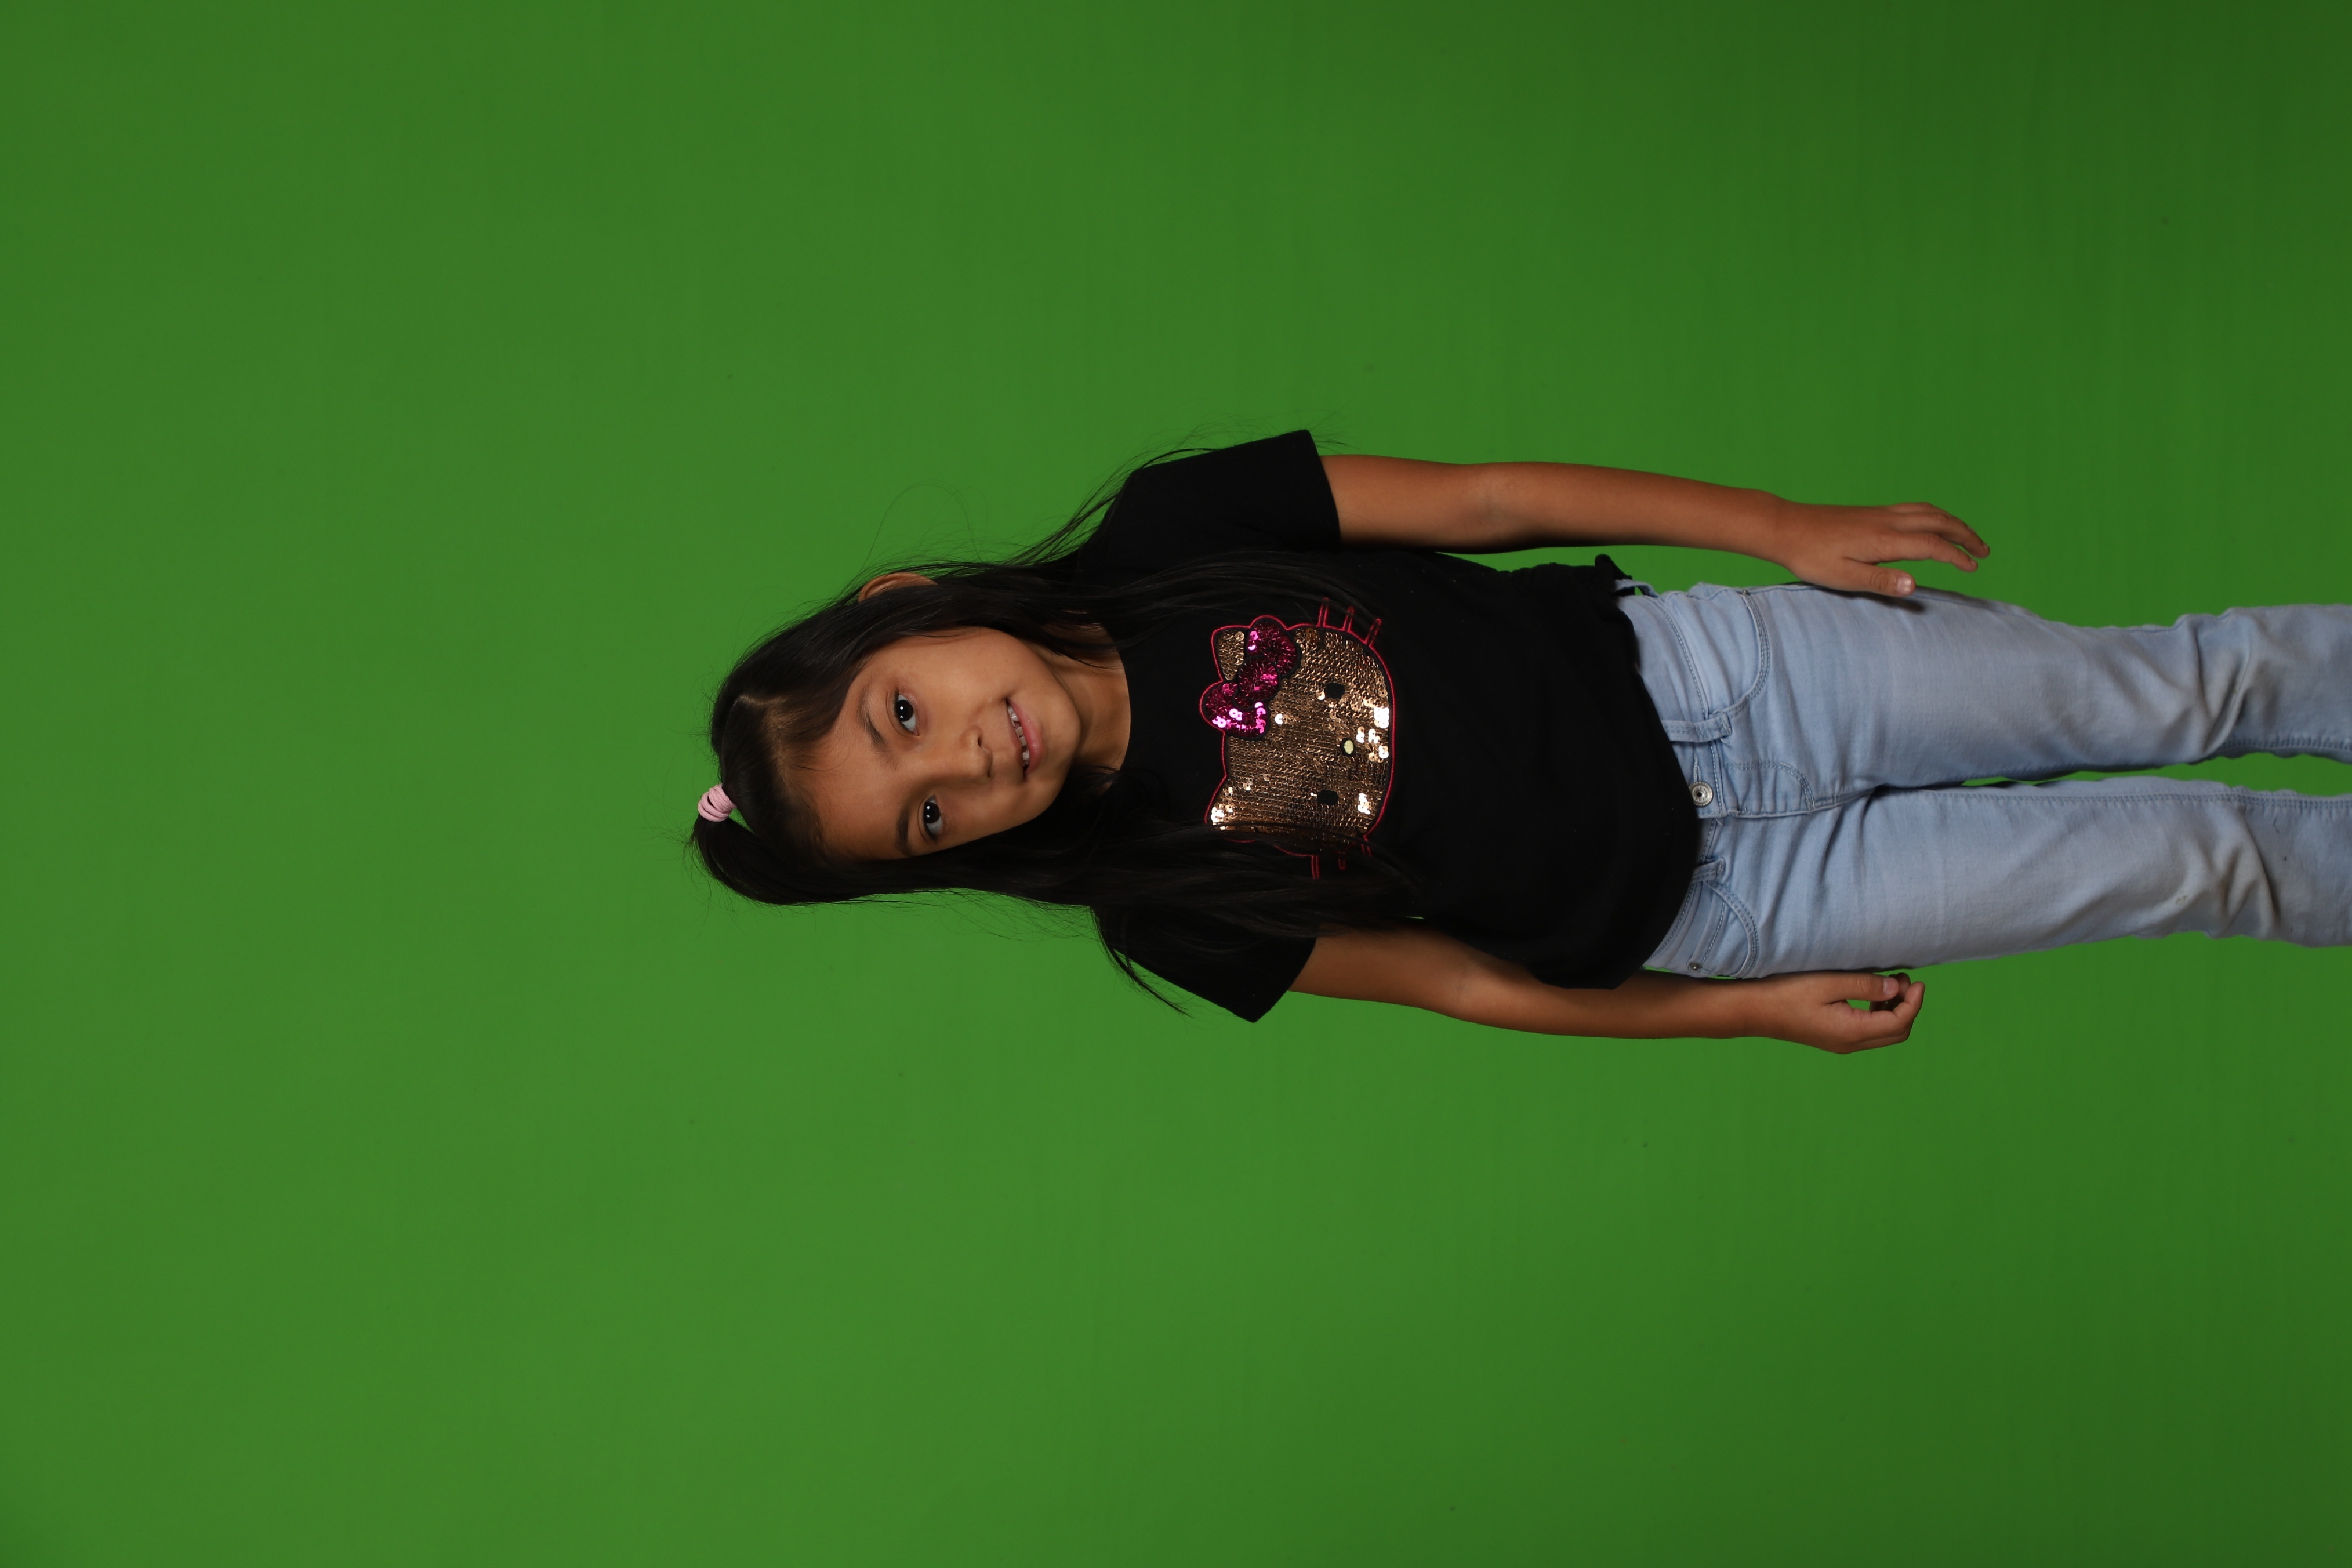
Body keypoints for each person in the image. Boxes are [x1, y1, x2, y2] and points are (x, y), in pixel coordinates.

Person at [691, 431, 2352, 1052]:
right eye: (926, 820)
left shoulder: (1171, 528)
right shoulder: (1168, 908)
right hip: (1730, 910)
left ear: (903, 607)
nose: (965, 762)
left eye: (902, 715)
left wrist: (1779, 524)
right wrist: (1748, 1011)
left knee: (2171, 693)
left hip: (1731, 680)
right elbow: (1466, 984)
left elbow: (1490, 502)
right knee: (2192, 861)